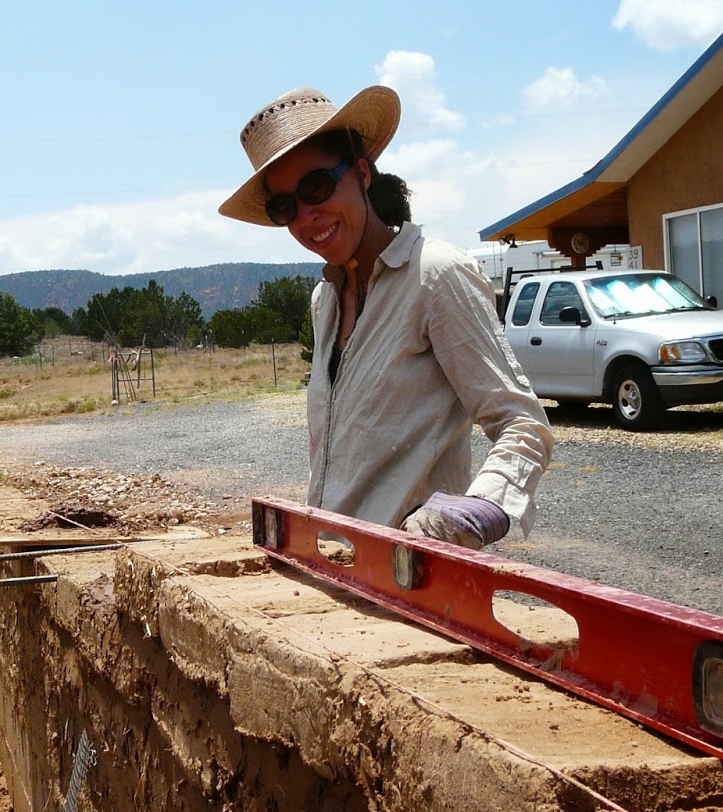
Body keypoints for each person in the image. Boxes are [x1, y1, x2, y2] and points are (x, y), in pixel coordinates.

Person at [220, 86, 553, 550]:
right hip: (335, 565)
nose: (307, 216)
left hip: (413, 574)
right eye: (285, 207)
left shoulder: (434, 275)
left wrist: (477, 509)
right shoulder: (326, 299)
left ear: (360, 174)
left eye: (316, 187)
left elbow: (521, 423)